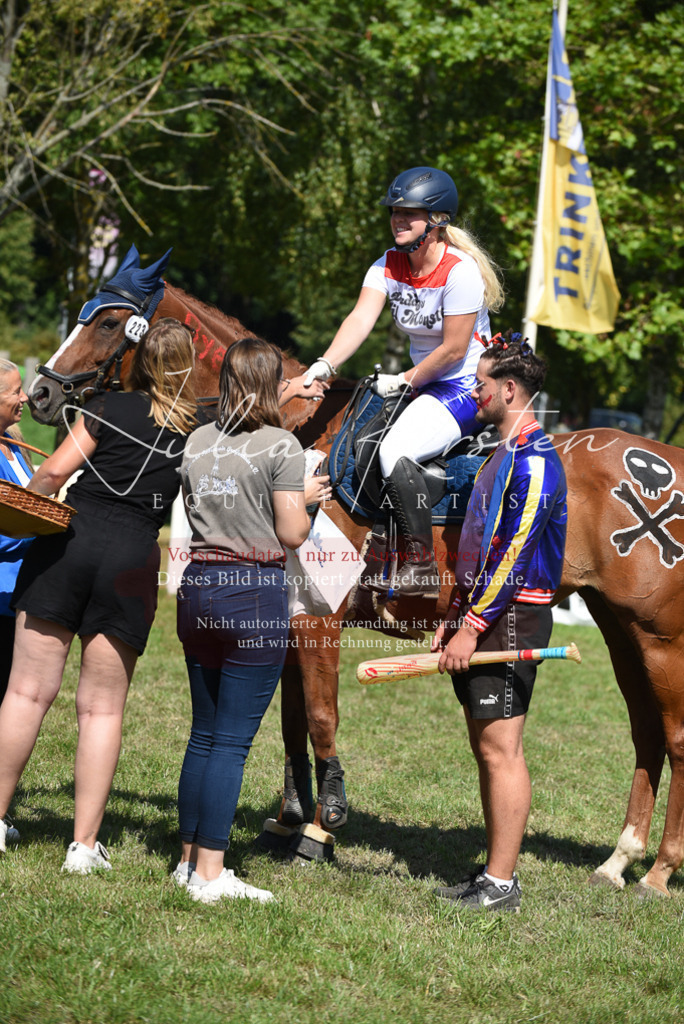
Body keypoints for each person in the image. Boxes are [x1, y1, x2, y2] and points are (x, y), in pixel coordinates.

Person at [0, 318, 196, 868]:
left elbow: (49, 476)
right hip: (133, 559)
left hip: (69, 544)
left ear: (136, 361)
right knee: (102, 711)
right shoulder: (195, 434)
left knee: (26, 694)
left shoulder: (106, 407)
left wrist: (23, 513)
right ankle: (83, 846)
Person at [303, 165, 504, 598]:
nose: (397, 219)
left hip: (466, 386)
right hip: (421, 384)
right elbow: (360, 319)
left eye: (409, 213)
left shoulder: (460, 270)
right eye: (394, 211)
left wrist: (406, 379)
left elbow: (453, 349)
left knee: (395, 449)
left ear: (437, 222)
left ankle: (420, 565)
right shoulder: (387, 263)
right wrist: (324, 364)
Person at [431, 333, 567, 912]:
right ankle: (493, 873)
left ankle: (502, 885)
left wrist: (472, 624)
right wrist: (456, 614)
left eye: (481, 385)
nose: (474, 394)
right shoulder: (501, 452)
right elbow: (479, 544)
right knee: (485, 748)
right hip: (486, 615)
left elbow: (513, 555)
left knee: (500, 750)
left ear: (509, 390)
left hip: (514, 618)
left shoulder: (535, 461)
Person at [174, 336, 309, 904]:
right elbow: (292, 533)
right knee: (230, 743)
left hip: (197, 587)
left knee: (203, 735)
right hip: (251, 593)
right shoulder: (282, 445)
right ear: (273, 384)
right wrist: (311, 499)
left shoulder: (197, 440)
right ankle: (210, 874)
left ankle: (186, 861)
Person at [0, 360, 32, 706]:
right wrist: (39, 531)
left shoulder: (13, 441)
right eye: (15, 391)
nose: (24, 397)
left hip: (18, 593)